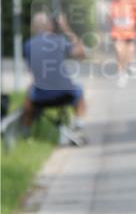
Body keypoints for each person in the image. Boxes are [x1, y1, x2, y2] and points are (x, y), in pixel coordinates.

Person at [22, 11, 87, 145]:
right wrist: (66, 28)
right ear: (50, 26)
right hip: (66, 93)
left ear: (33, 27)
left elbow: (34, 71)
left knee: (29, 94)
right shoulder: (59, 41)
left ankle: (26, 132)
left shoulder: (28, 45)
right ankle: (79, 123)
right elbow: (81, 53)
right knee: (79, 89)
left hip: (40, 96)